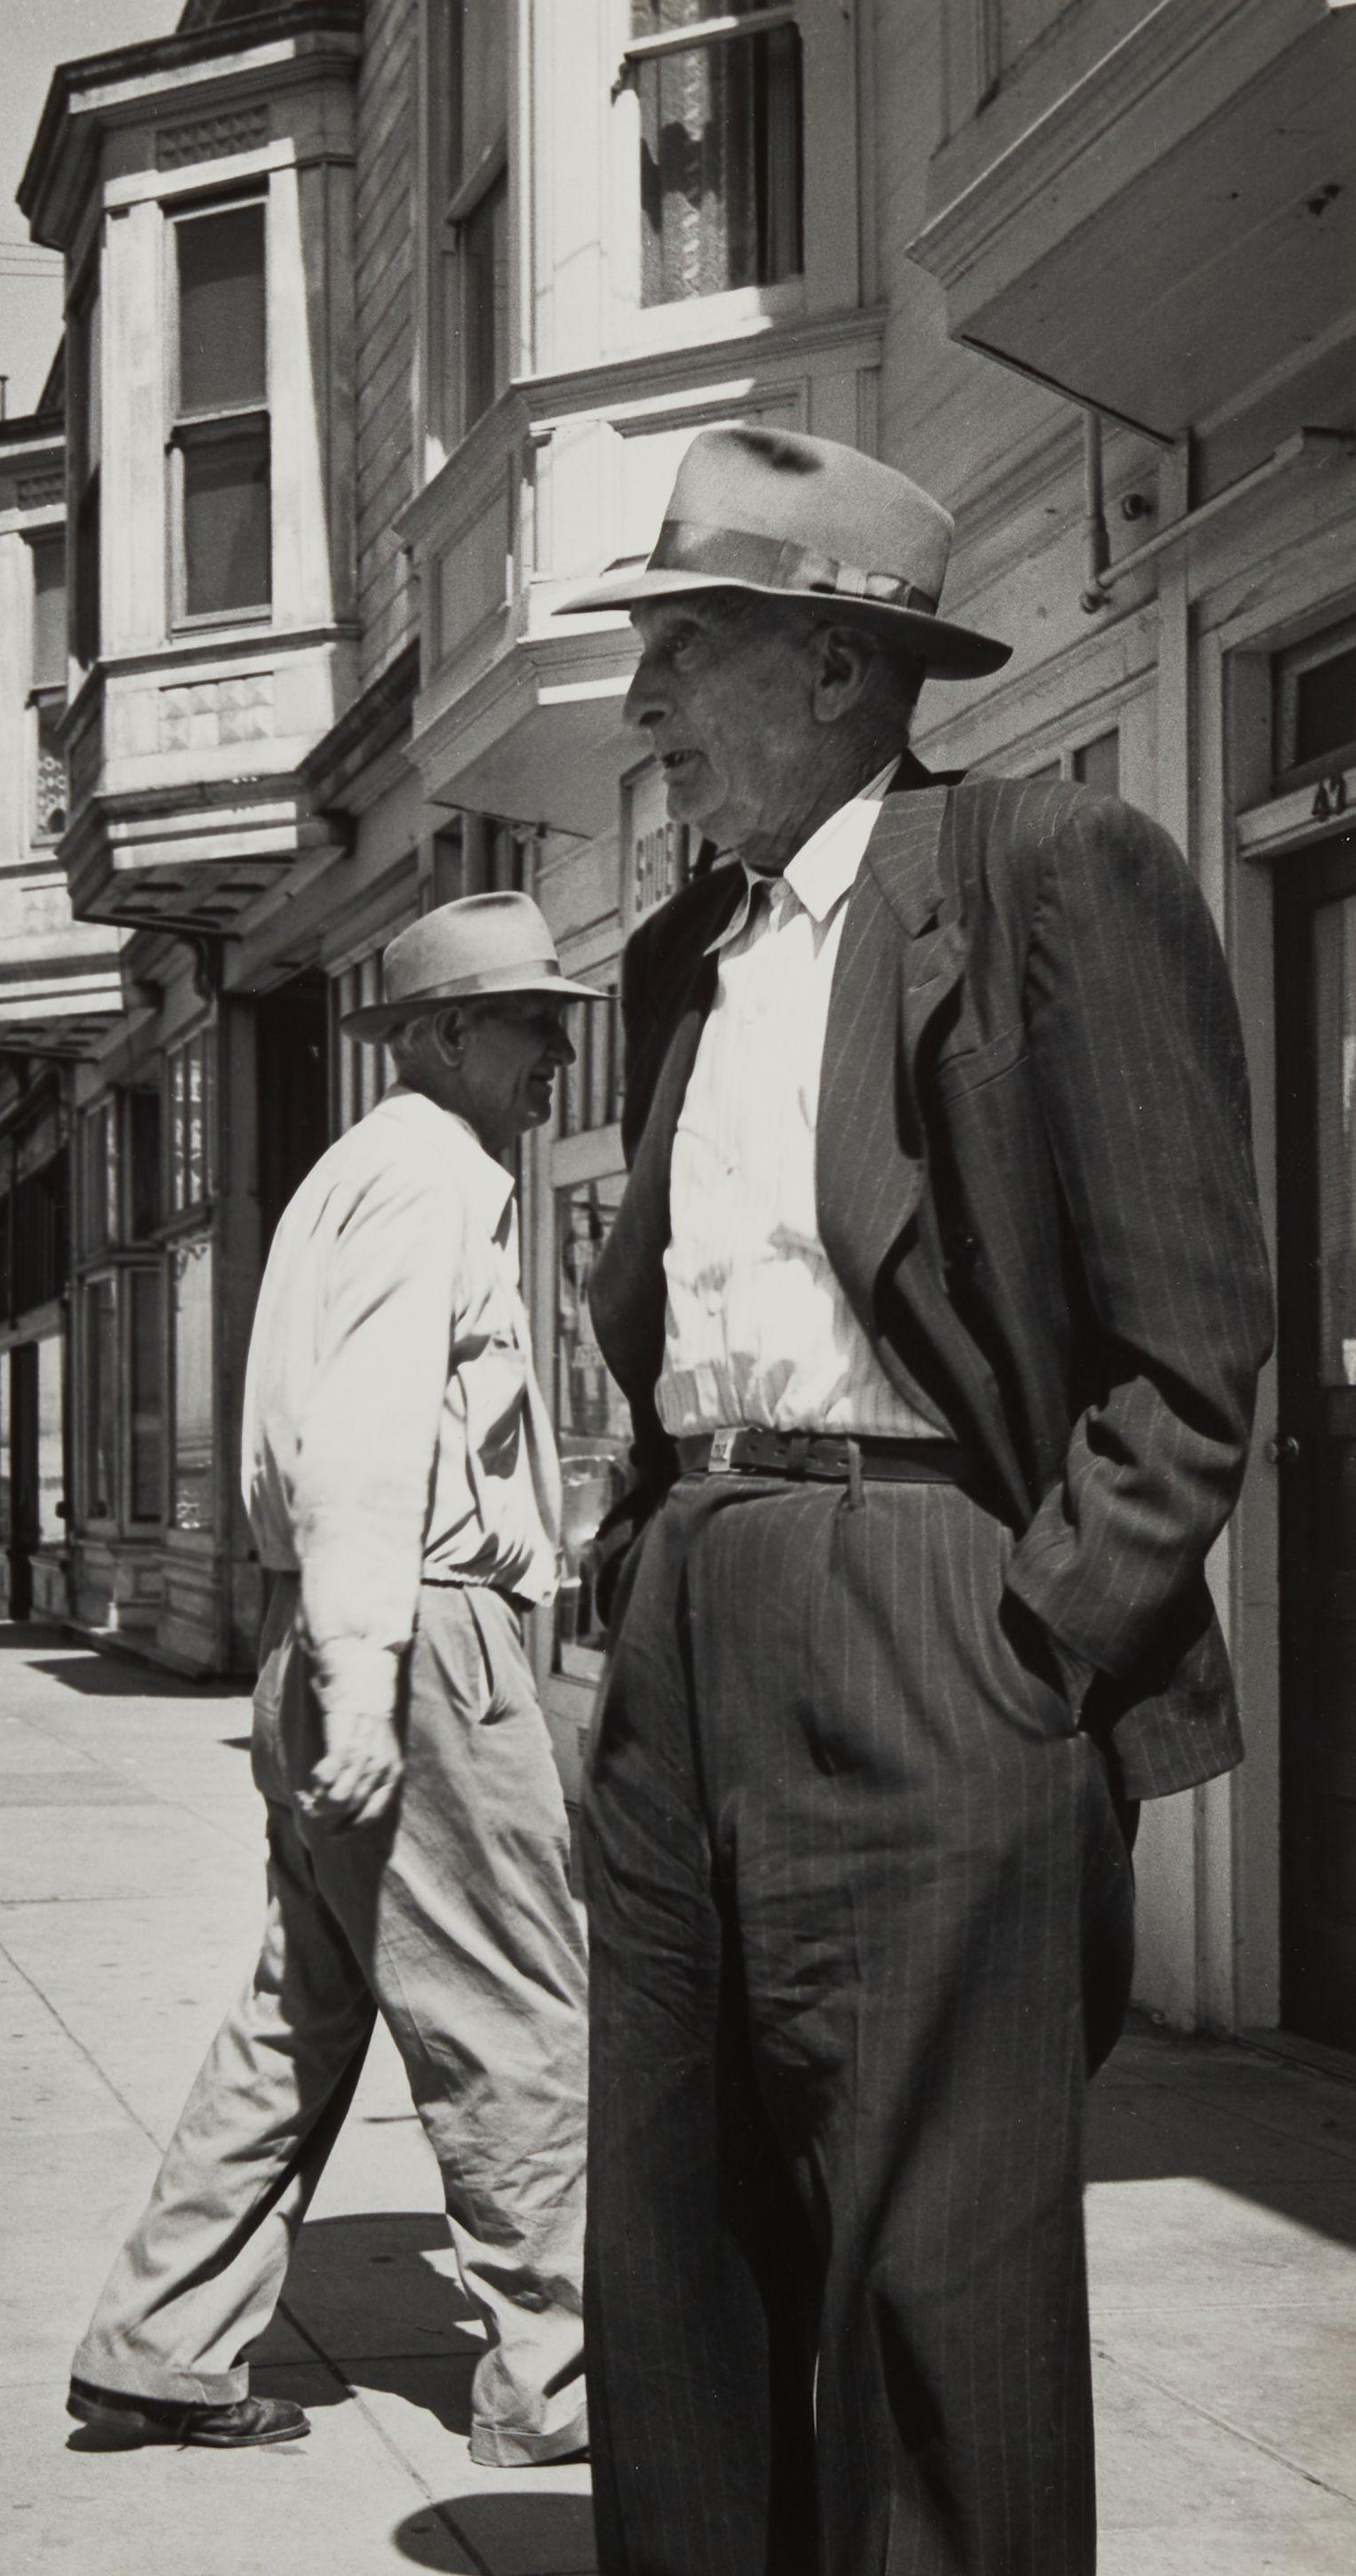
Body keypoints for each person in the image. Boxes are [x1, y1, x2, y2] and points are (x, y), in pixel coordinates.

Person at [557, 427, 1273, 2573]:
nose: (644, 703)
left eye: (685, 649)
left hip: (933, 1606)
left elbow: (1188, 1347)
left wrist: (1033, 1649)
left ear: (838, 664)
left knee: (936, 2289)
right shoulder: (682, 959)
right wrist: (641, 1580)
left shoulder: (1047, 869)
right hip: (695, 1614)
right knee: (674, 2260)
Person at [67, 892, 599, 2465]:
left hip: (332, 1625)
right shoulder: (432, 1175)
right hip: (412, 1632)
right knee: (518, 2014)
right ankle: (554, 2387)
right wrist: (369, 1682)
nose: (558, 1053)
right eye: (530, 1022)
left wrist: (337, 1665)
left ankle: (161, 2346)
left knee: (301, 2006)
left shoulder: (356, 1173)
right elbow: (366, 1436)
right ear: (440, 1034)